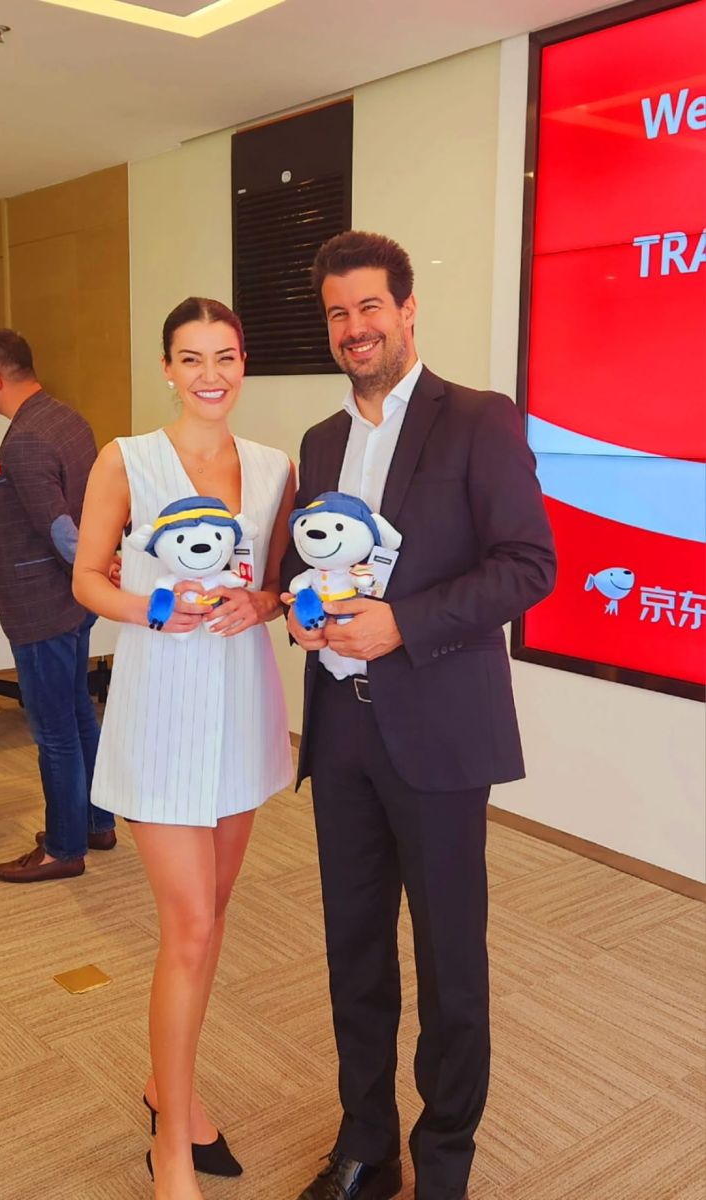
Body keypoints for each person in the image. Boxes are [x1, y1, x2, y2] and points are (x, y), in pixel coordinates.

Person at [281, 231, 557, 1200]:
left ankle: (443, 1166)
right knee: (353, 951)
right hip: (340, 731)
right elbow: (310, 563)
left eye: (369, 307)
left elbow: (528, 565)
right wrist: (300, 611)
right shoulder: (320, 441)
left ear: (405, 311)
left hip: (437, 731)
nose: (353, 328)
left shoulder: (477, 419)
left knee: (449, 966)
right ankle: (368, 1144)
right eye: (337, 313)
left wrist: (403, 623)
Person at [73, 297, 295, 1200]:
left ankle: (169, 1085)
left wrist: (264, 603)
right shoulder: (125, 459)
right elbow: (88, 580)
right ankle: (170, 1146)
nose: (211, 375)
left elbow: (278, 584)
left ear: (244, 364)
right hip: (161, 707)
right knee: (190, 926)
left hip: (241, 707)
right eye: (192, 358)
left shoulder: (274, 467)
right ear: (167, 368)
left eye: (226, 356)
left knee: (215, 915)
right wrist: (155, 607)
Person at [0, 328, 116, 882]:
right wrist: (97, 569)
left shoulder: (25, 439)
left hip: (42, 605)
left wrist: (90, 568)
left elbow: (58, 527)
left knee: (54, 731)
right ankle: (95, 822)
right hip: (71, 603)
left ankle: (62, 847)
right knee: (77, 714)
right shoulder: (67, 418)